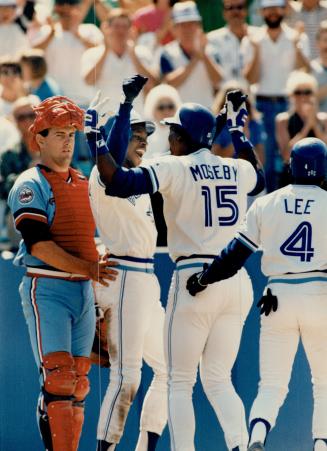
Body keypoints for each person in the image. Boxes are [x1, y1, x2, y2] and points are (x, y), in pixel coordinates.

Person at [85, 81, 265, 451]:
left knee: (179, 379)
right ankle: (240, 444)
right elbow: (258, 177)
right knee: (209, 379)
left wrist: (95, 140)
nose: (152, 139)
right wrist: (234, 130)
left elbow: (124, 178)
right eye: (136, 133)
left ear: (181, 137)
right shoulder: (232, 167)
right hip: (230, 279)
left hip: (192, 278)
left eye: (165, 133)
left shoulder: (170, 165)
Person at [186, 138, 327, 451]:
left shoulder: (267, 202)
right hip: (318, 294)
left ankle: (258, 438)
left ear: (291, 164)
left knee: (273, 384)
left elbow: (236, 253)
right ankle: (321, 445)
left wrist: (205, 278)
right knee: (324, 384)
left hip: (277, 295)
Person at [7, 95, 118, 451]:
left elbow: (86, 236)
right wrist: (90, 267)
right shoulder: (29, 183)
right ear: (39, 138)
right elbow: (39, 246)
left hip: (83, 290)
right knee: (59, 376)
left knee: (80, 382)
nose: (68, 141)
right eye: (59, 134)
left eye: (72, 133)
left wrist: (98, 255)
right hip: (48, 287)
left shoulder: (83, 180)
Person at [87, 75, 167, 451]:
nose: (144, 142)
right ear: (116, 137)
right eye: (136, 135)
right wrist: (124, 106)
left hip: (145, 277)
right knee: (127, 376)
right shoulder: (104, 175)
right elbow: (113, 157)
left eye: (144, 136)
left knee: (171, 368)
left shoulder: (136, 178)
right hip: (123, 274)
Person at [242, 0, 310, 191]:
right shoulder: (253, 39)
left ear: (283, 9)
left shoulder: (295, 36)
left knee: (291, 156)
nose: (272, 12)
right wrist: (256, 50)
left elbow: (304, 70)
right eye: (268, 8)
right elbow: (251, 78)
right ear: (262, 11)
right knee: (268, 159)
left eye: (276, 7)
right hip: (262, 104)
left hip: (290, 104)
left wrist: (296, 45)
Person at [82, 8, 156, 113]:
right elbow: (88, 81)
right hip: (104, 120)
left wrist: (133, 55)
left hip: (134, 119)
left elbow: (152, 83)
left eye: (125, 27)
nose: (121, 31)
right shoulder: (93, 54)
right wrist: (106, 51)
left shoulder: (142, 53)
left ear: (131, 30)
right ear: (107, 28)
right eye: (116, 26)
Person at [159, 1, 223, 108]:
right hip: (179, 114)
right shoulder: (167, 52)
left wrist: (204, 55)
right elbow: (170, 84)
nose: (187, 29)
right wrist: (195, 59)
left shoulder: (211, 50)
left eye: (191, 24)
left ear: (198, 26)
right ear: (175, 27)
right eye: (182, 25)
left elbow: (218, 81)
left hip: (207, 111)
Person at [276, 71, 327, 187]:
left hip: (320, 179)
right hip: (292, 179)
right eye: (298, 92)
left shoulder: (324, 119)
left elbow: (325, 149)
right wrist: (307, 126)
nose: (303, 97)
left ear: (314, 95)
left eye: (307, 92)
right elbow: (286, 155)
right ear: (291, 95)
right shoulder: (283, 120)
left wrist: (314, 122)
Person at [207, 0, 258, 83]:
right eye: (229, 7)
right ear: (223, 13)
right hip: (225, 94)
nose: (235, 11)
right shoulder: (212, 39)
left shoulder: (259, 35)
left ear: (246, 11)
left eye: (240, 7)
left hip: (255, 94)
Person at [311, 21, 327, 112]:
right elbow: (307, 99)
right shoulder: (310, 69)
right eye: (325, 40)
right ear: (317, 43)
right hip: (319, 124)